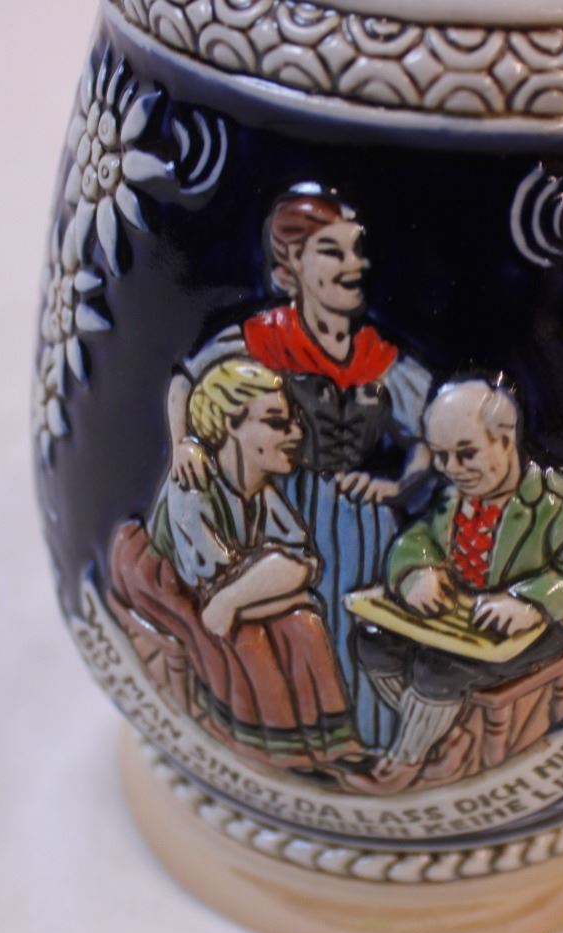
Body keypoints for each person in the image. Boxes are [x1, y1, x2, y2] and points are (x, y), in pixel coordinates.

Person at [162, 188, 432, 750]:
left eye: (356, 251)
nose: (353, 265)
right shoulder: (262, 339)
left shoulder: (377, 355)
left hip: (363, 523)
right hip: (287, 507)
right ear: (292, 266)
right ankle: (302, 740)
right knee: (300, 625)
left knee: (359, 631)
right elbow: (186, 380)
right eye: (332, 252)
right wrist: (184, 442)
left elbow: (434, 429)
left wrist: (397, 484)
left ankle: (361, 746)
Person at [347, 374, 563, 792]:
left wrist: (530, 602)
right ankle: (445, 737)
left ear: (504, 440)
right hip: (464, 618)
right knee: (372, 641)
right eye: (442, 457)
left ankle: (404, 762)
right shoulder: (452, 500)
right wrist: (417, 572)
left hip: (538, 629)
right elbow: (416, 540)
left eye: (466, 454)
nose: (453, 469)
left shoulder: (560, 503)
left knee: (438, 670)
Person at [109, 357, 363, 771]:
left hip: (225, 594)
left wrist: (238, 597)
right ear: (231, 426)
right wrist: (250, 590)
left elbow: (300, 562)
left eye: (292, 422)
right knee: (248, 639)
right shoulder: (193, 487)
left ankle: (327, 746)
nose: (295, 433)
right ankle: (267, 748)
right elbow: (209, 585)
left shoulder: (262, 494)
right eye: (277, 422)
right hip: (173, 589)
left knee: (304, 625)